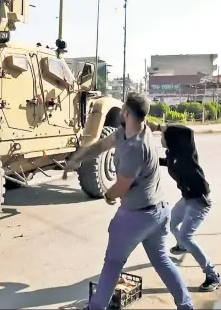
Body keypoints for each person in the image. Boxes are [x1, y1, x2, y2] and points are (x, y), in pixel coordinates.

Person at [65, 92, 193, 310]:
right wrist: (77, 158)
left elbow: (122, 185)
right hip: (159, 212)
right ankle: (186, 305)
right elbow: (99, 147)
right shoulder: (130, 132)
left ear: (125, 112)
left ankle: (96, 307)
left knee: (113, 262)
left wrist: (108, 195)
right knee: (161, 260)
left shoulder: (136, 147)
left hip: (138, 215)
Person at [159, 124, 221, 292]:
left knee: (187, 236)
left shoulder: (186, 153)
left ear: (171, 138)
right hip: (187, 198)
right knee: (171, 223)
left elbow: (188, 131)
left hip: (199, 200)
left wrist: (162, 126)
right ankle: (182, 245)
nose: (160, 138)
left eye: (163, 136)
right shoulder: (173, 154)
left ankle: (214, 275)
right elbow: (169, 163)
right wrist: (152, 159)